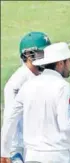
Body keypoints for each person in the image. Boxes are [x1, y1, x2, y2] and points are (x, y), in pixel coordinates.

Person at [1, 42, 70, 163]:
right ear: (60, 63)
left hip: (31, 156)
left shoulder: (28, 85)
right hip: (58, 156)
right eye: (69, 60)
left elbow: (10, 118)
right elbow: (67, 126)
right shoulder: (63, 87)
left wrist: (4, 152)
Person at [1, 31, 51, 163]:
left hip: (45, 146)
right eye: (42, 52)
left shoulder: (45, 75)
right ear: (28, 55)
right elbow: (10, 120)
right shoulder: (17, 83)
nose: (47, 56)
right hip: (24, 149)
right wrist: (9, 153)